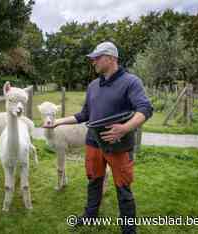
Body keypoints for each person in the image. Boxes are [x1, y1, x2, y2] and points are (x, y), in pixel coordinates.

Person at [43, 41, 153, 234]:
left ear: (111, 58)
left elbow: (145, 109)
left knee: (123, 187)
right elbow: (84, 114)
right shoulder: (93, 85)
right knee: (94, 180)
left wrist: (125, 128)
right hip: (93, 142)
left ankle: (128, 229)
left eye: (97, 57)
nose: (93, 61)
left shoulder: (131, 81)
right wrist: (58, 121)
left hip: (118, 144)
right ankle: (90, 215)